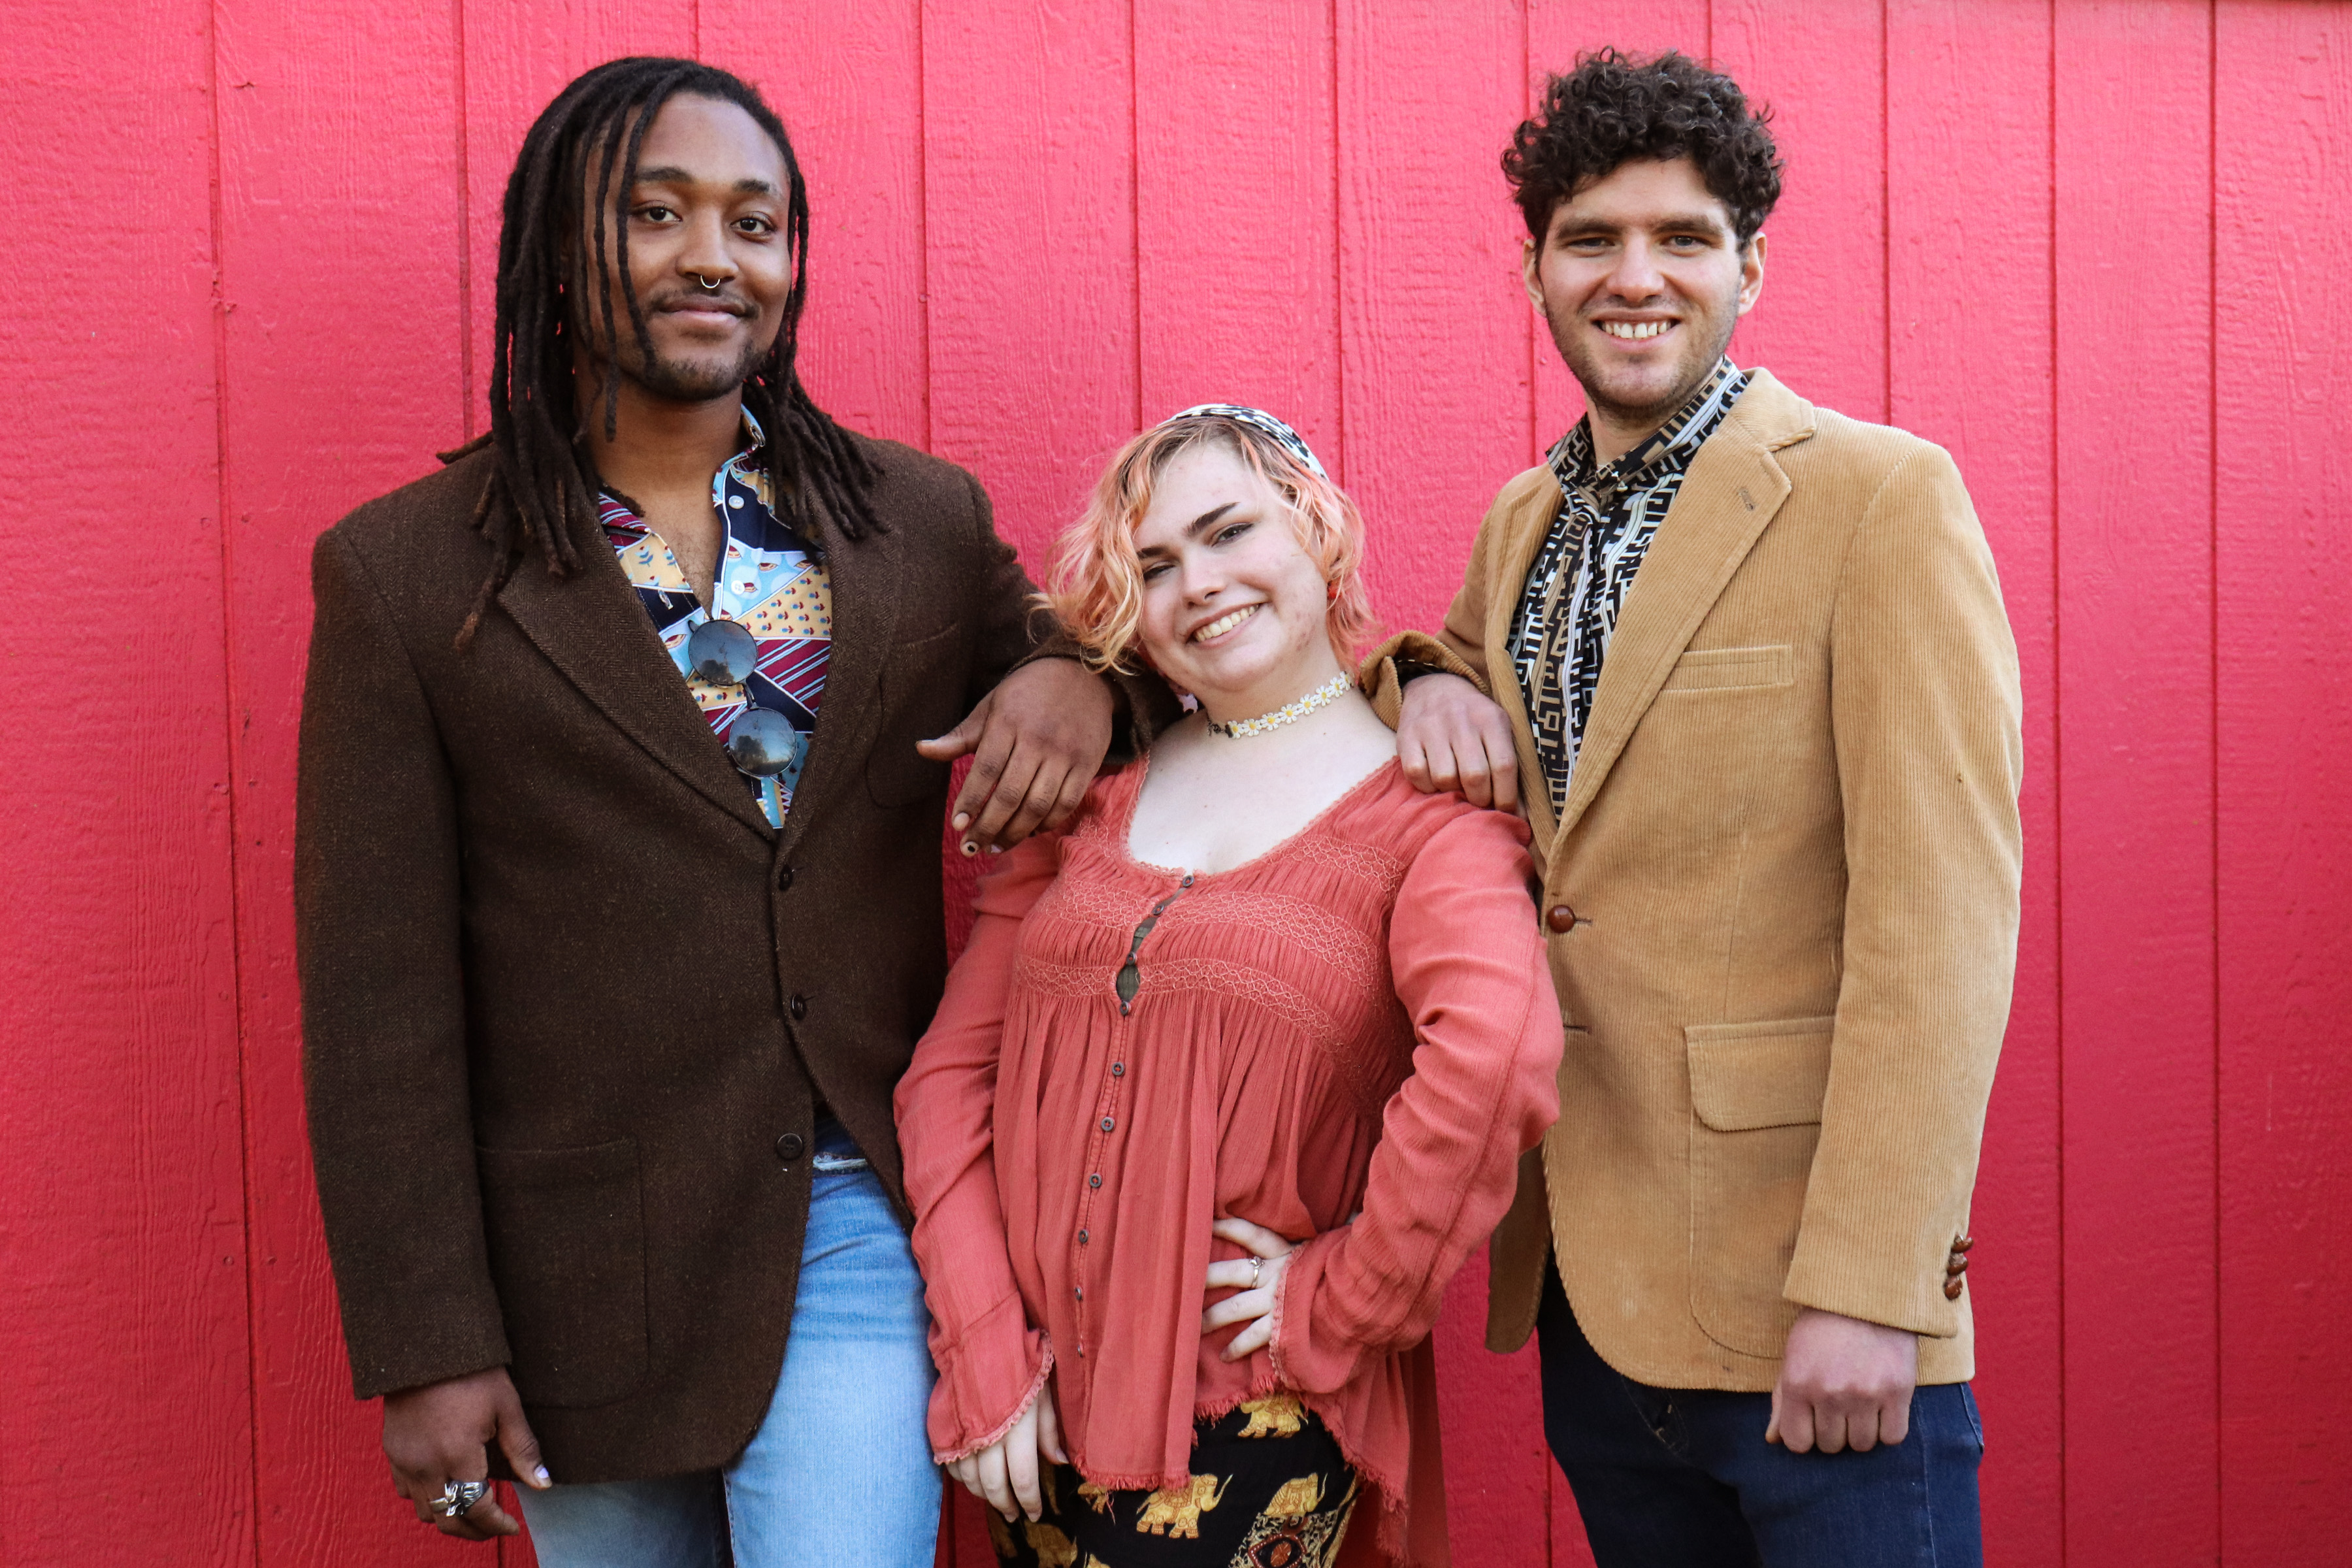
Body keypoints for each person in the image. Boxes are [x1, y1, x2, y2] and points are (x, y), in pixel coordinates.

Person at [296, 57, 1149, 1567]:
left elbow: (1097, 659)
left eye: (756, 223)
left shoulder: (916, 524)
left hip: (853, 1224)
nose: (714, 254)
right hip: (578, 1268)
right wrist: (427, 1342)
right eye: (656, 212)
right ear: (564, 253)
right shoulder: (412, 574)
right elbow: (377, 1007)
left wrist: (1086, 684)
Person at [1367, 49, 2023, 1567]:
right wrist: (1428, 678)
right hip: (1597, 1305)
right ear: (1537, 266)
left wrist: (1874, 1285)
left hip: (1817, 1314)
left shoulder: (1880, 498)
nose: (1633, 277)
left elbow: (1944, 918)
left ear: (1752, 265)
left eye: (1682, 239)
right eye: (1591, 239)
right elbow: (1445, 673)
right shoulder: (1522, 520)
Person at [893, 407, 1563, 1568]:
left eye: (1227, 531)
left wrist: (1343, 1298)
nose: (1197, 583)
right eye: (1154, 567)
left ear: (1315, 527)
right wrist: (986, 1346)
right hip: (1036, 1418)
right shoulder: (1094, 800)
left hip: (1254, 1414)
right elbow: (949, 1081)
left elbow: (1495, 1057)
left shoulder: (1425, 816)